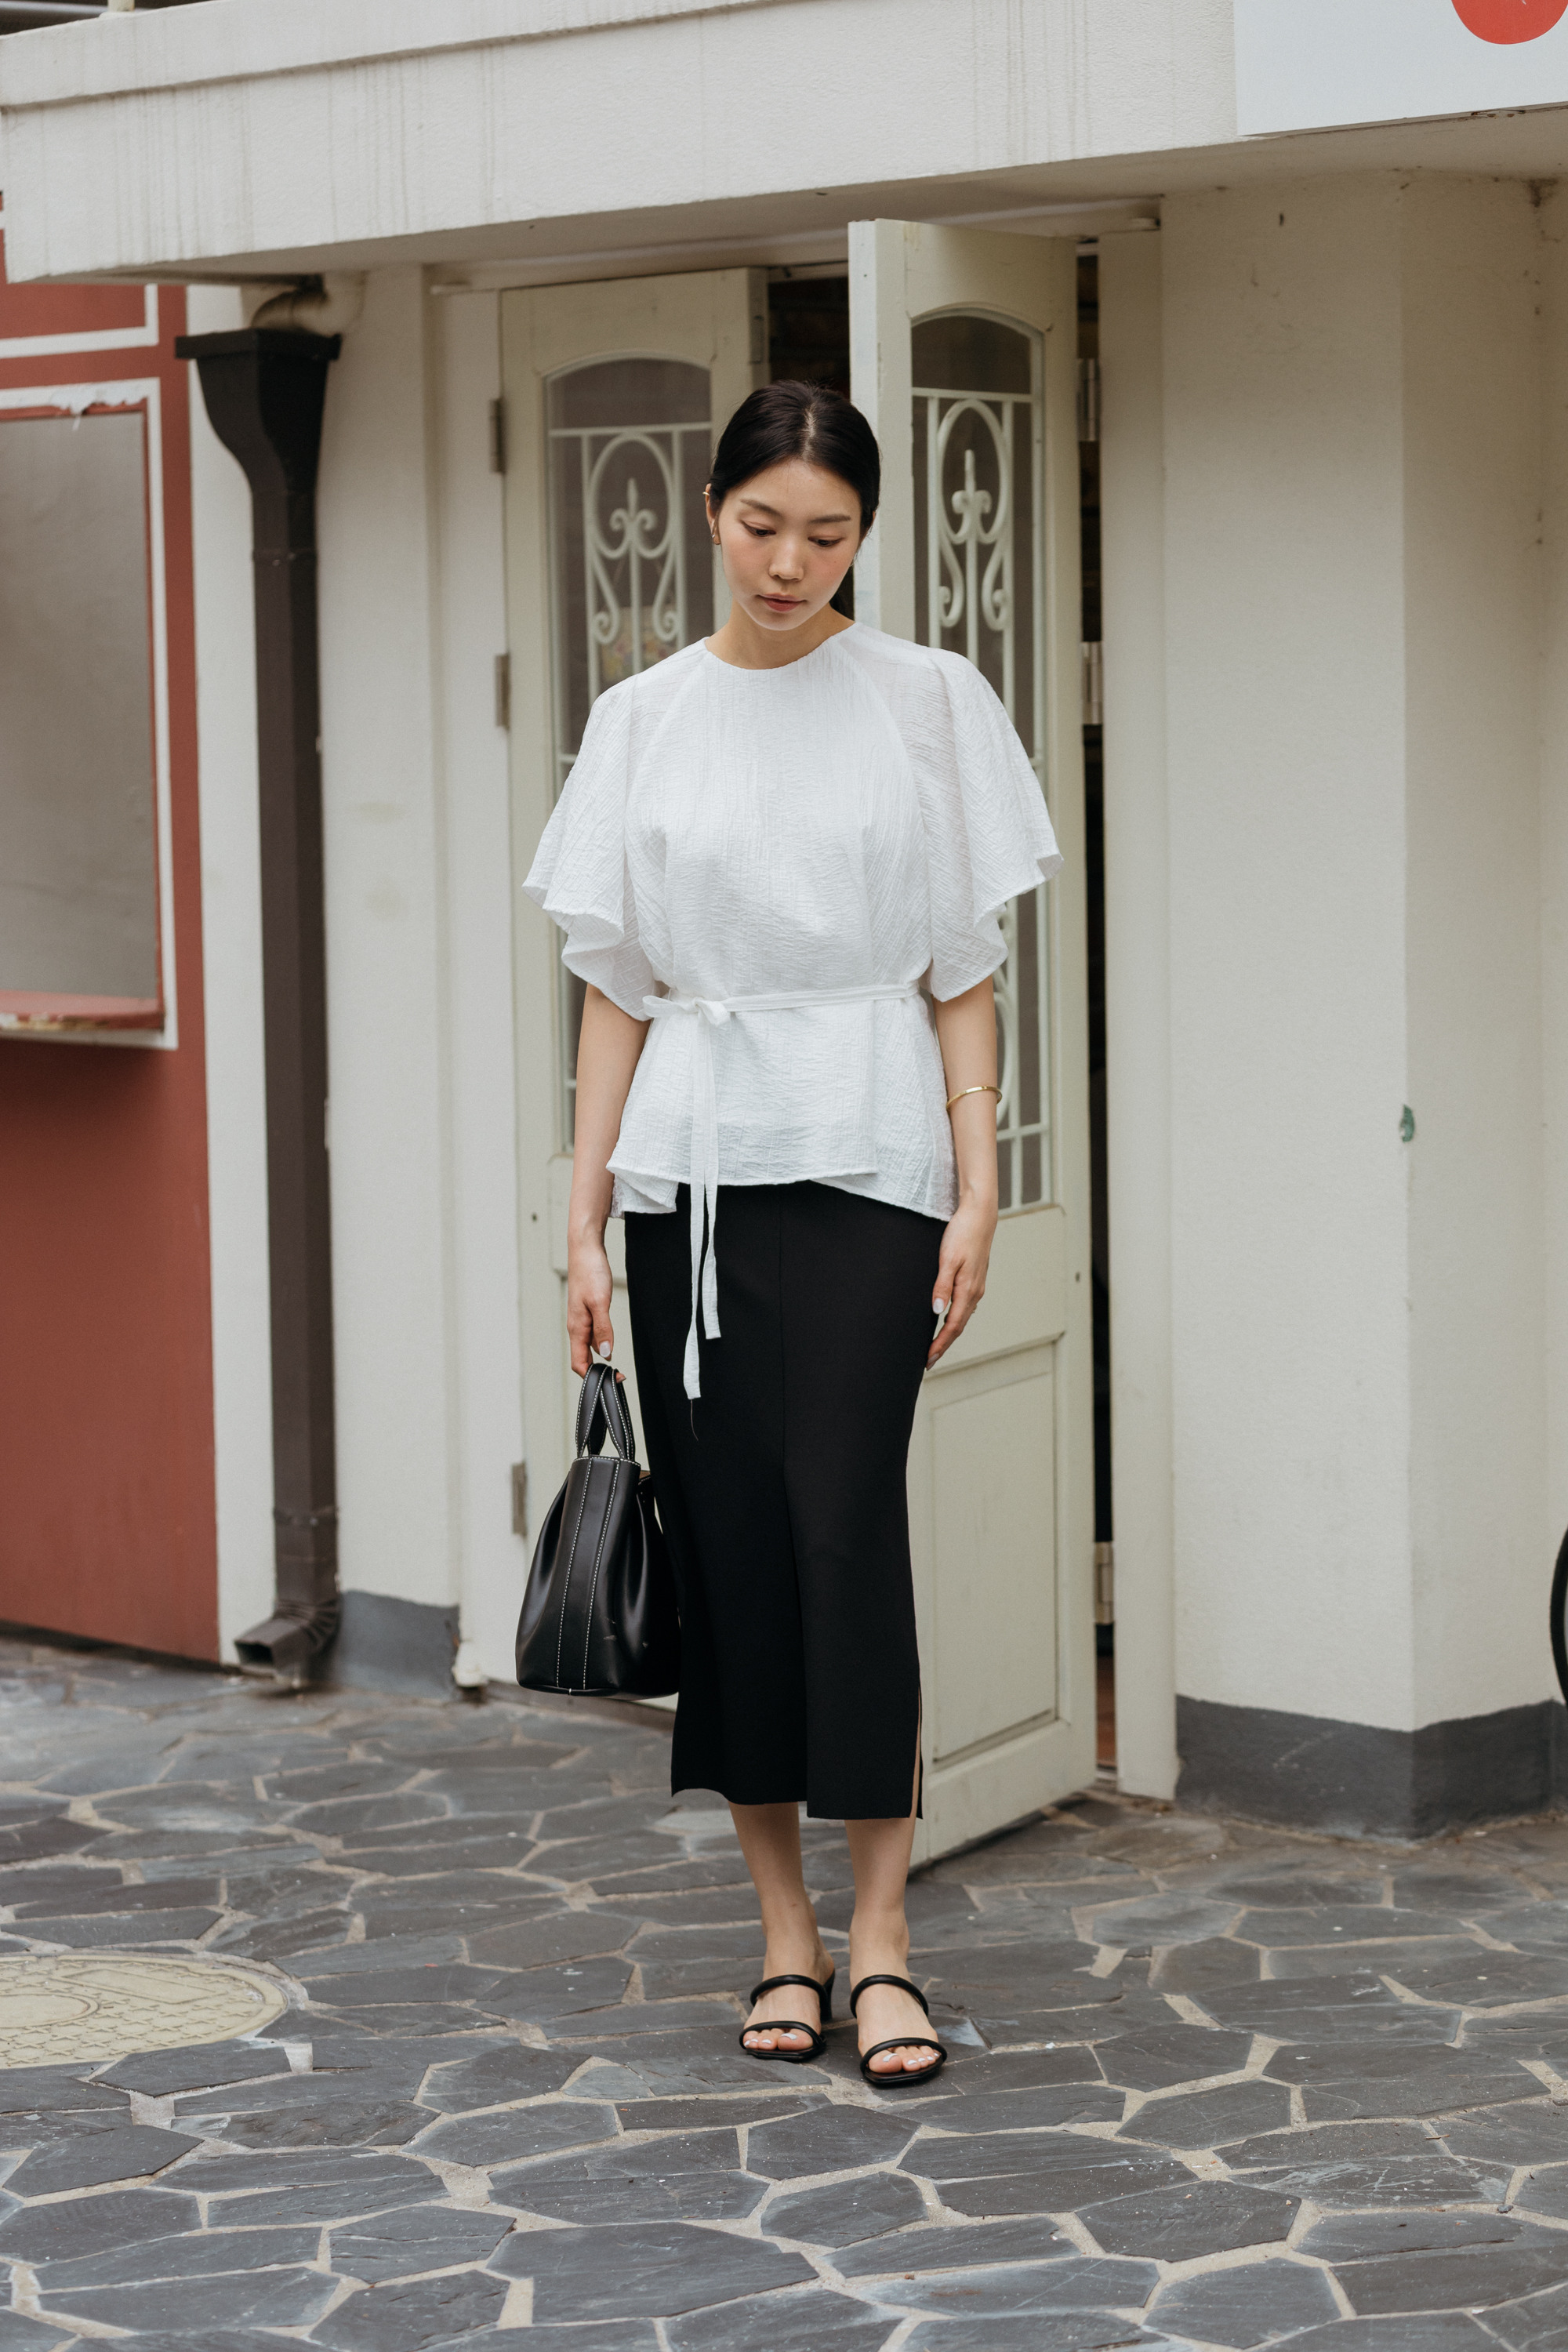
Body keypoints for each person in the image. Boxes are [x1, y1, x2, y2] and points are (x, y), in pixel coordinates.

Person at [524, 381, 1060, 2085]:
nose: (788, 562)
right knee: (732, 1543)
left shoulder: (927, 700)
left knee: (843, 1528)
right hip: (688, 1173)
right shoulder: (641, 719)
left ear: (863, 537)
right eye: (762, 525)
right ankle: (784, 1937)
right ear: (711, 511)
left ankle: (884, 1938)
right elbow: (615, 990)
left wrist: (978, 1180)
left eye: (827, 535)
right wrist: (582, 1210)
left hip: (871, 1158)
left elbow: (962, 970)